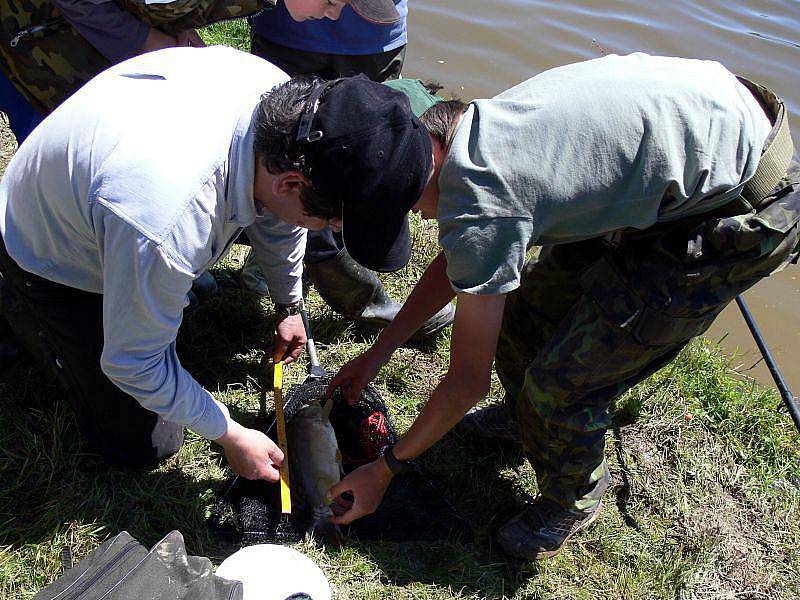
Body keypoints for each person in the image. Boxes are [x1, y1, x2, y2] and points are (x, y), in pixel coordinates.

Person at [314, 53, 799, 559]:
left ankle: (573, 497)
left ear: (425, 159)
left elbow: (465, 382)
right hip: (699, 135)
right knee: (521, 321)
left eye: (411, 205)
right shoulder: (470, 129)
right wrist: (377, 354)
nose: (416, 213)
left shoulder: (485, 203)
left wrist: (385, 468)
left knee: (565, 384)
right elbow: (460, 261)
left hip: (746, 199)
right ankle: (525, 418)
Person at [0, 45, 423, 476]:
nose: (329, 232)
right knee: (144, 445)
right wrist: (231, 434)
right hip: (50, 256)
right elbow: (133, 363)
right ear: (292, 182)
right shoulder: (167, 220)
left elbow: (283, 217)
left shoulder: (286, 115)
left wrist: (289, 304)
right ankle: (26, 314)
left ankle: (153, 292)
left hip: (116, 208)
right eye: (332, 223)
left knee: (165, 289)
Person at [245, 0, 454, 338]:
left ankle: (280, 267)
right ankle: (333, 288)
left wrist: (288, 304)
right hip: (290, 35)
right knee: (298, 182)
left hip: (374, 37)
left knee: (361, 175)